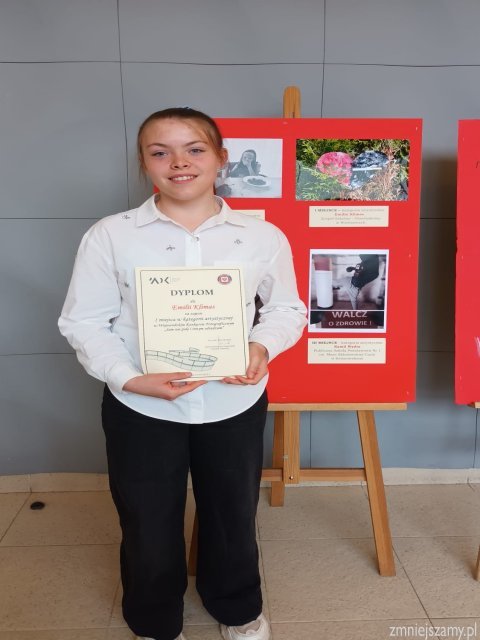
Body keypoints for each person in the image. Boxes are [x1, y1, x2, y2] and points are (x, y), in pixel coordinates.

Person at [58, 107, 307, 640]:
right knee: (146, 519)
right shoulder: (112, 235)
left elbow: (287, 309)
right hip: (140, 404)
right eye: (160, 152)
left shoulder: (261, 237)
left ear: (221, 158)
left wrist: (260, 346)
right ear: (144, 163)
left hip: (233, 401)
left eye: (194, 149)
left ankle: (237, 609)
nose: (179, 163)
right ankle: (153, 618)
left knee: (232, 514)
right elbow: (83, 321)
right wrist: (128, 377)